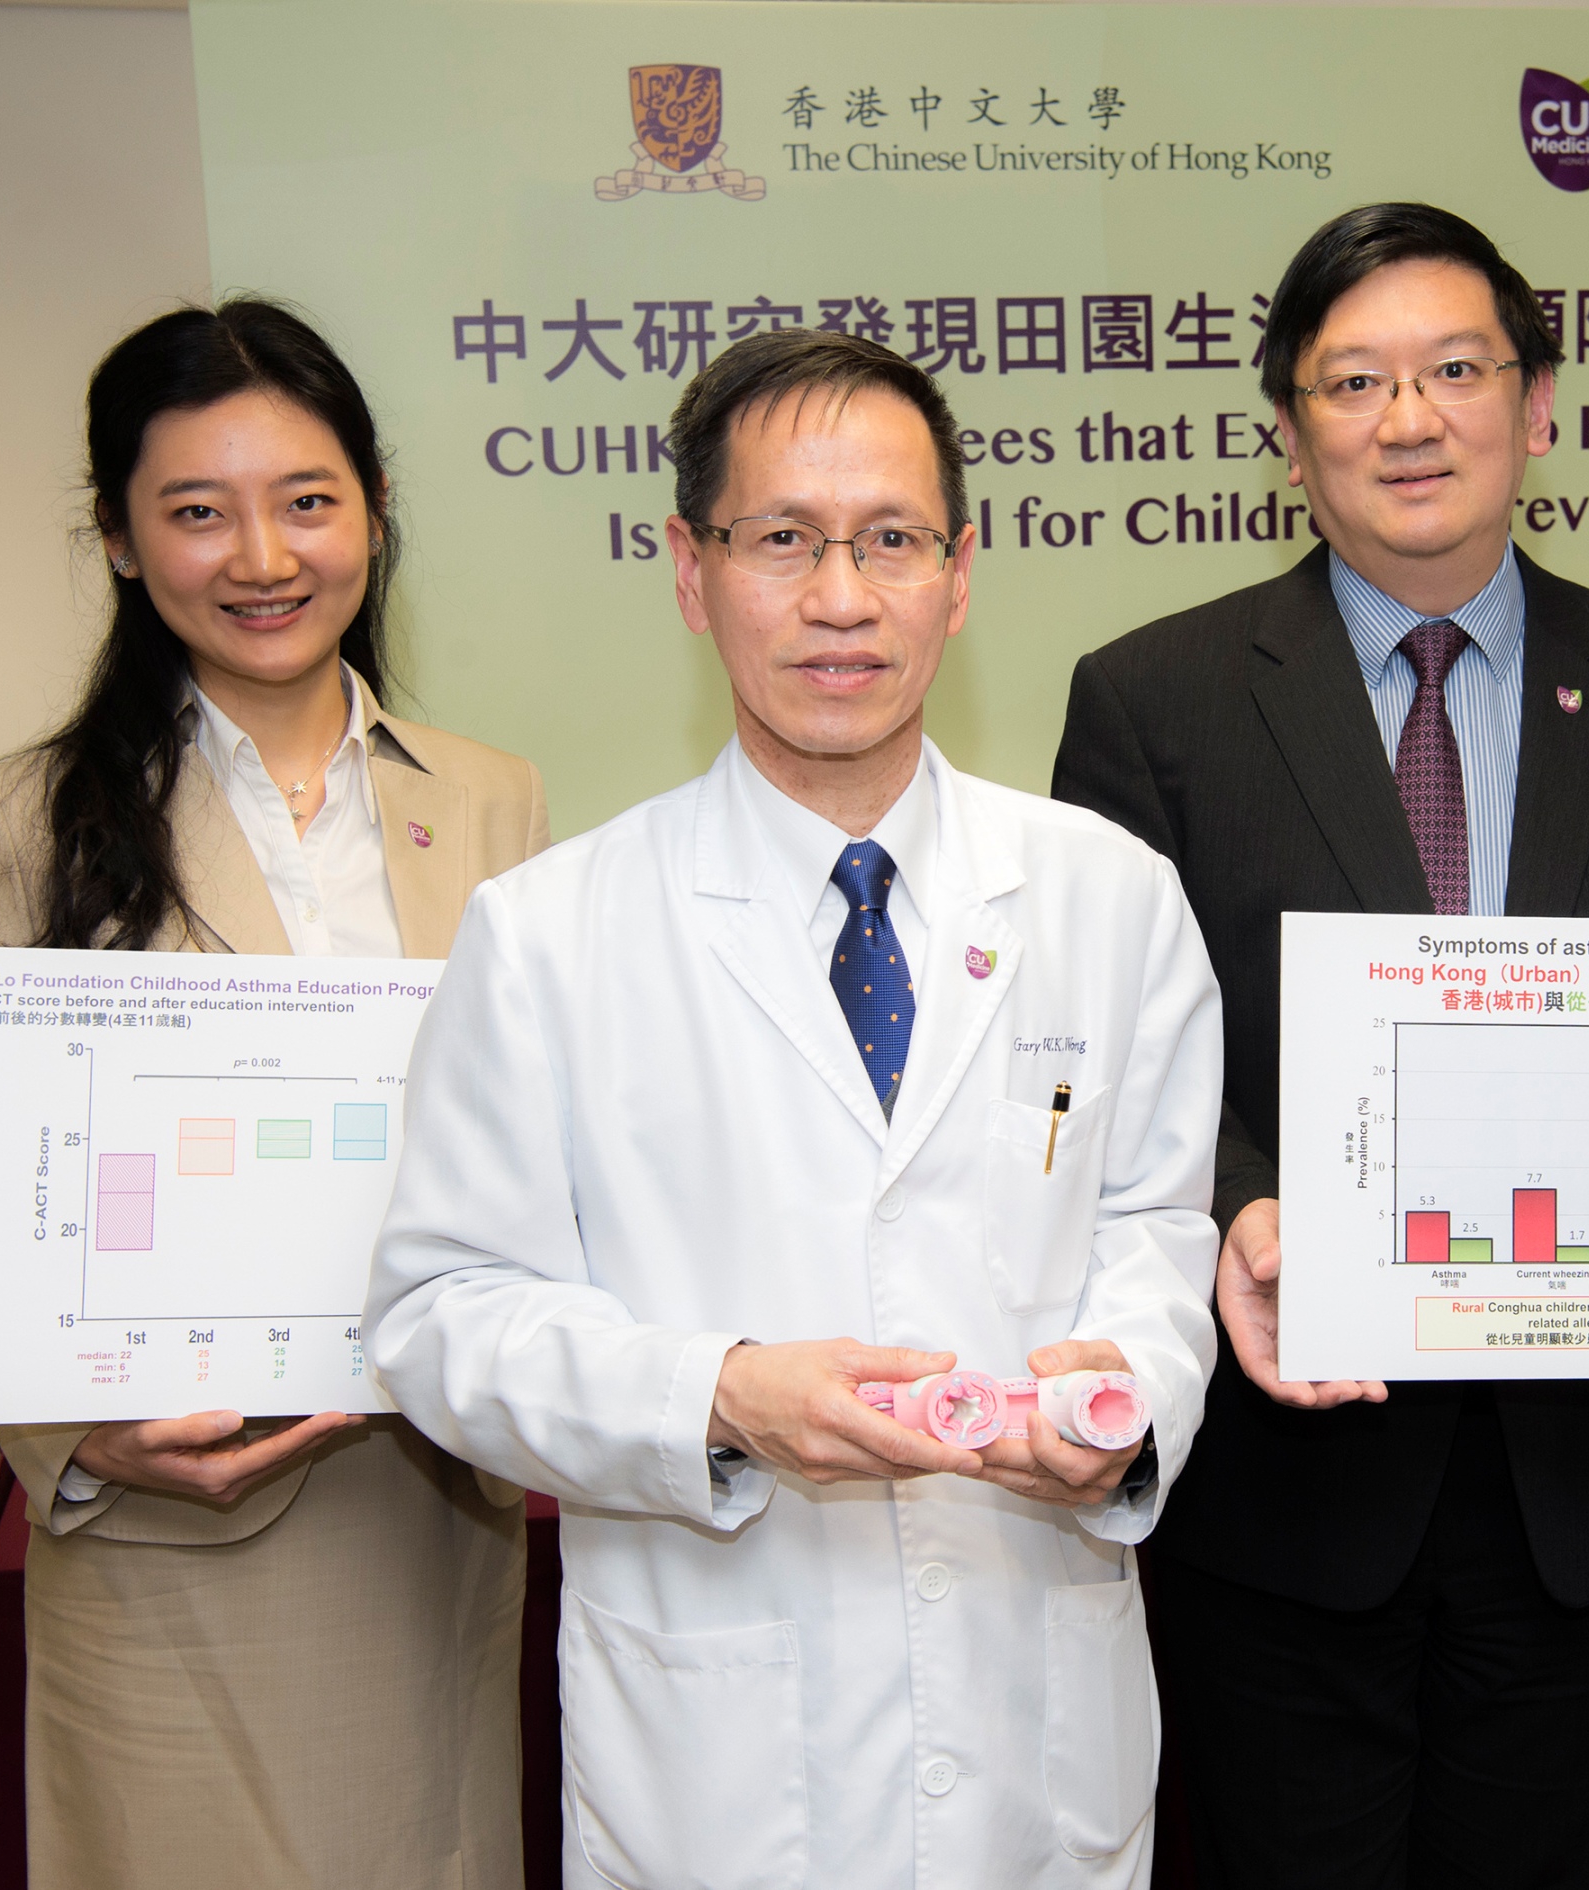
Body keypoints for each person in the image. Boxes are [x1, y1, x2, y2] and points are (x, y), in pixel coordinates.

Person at [366, 327, 1222, 1888]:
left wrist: (1129, 1399)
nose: (842, 597)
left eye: (891, 540)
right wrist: (721, 1395)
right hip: (719, 1745)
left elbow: (1156, 1228)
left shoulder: (1111, 896)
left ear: (962, 572)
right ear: (691, 571)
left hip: (1036, 1695)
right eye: (784, 541)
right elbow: (441, 1313)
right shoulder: (551, 931)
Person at [1050, 202, 1589, 1889]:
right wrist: (1235, 1205)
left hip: (1575, 1483)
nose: (1410, 417)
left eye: (1456, 369)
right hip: (1291, 1473)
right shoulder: (1158, 699)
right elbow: (1095, 1060)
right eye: (1354, 382)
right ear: (1290, 434)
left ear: (1537, 401)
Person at [0, 299, 545, 1889]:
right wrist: (80, 1438)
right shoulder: (28, 821)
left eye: (308, 499)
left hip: (428, 1493)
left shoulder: (491, 794)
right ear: (124, 543)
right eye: (196, 510)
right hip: (168, 1521)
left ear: (375, 512)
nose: (262, 554)